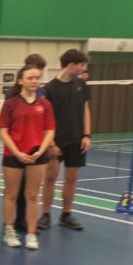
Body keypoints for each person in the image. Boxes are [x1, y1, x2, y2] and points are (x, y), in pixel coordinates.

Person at [0, 65, 56, 249]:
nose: (34, 81)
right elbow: (3, 131)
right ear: (20, 81)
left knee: (32, 195)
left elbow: (50, 130)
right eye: (30, 78)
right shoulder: (10, 104)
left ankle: (31, 233)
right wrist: (17, 152)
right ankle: (9, 231)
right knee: (11, 194)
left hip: (37, 156)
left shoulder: (45, 105)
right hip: (13, 155)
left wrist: (41, 151)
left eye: (37, 78)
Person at [39, 49, 91, 231]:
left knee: (72, 177)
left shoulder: (81, 85)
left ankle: (66, 215)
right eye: (81, 65)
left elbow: (86, 110)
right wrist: (51, 143)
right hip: (56, 141)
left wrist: (87, 135)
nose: (83, 69)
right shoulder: (49, 89)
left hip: (76, 140)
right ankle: (45, 214)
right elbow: (45, 119)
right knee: (50, 177)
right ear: (71, 65)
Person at [10, 53, 47, 232]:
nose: (35, 79)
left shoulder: (41, 95)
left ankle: (26, 220)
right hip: (17, 149)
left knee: (31, 190)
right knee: (14, 190)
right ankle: (13, 222)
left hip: (36, 148)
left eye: (38, 74)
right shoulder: (13, 95)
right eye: (32, 75)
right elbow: (6, 126)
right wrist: (17, 150)